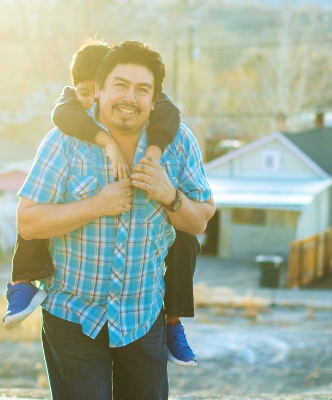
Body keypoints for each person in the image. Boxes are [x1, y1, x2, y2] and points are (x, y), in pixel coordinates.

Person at [17, 41, 214, 399]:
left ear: (154, 100)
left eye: (142, 89)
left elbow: (199, 220)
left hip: (143, 316)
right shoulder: (64, 141)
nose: (130, 97)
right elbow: (28, 222)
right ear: (100, 90)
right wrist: (95, 205)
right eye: (120, 85)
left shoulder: (179, 143)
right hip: (72, 314)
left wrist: (170, 195)